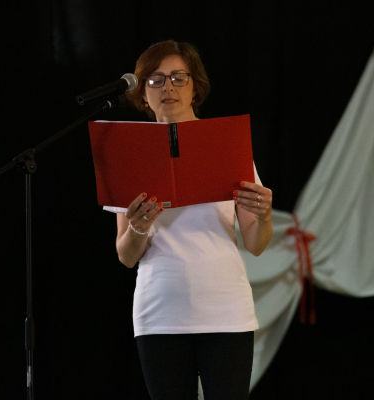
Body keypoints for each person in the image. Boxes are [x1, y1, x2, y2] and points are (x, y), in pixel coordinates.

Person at [105, 40, 273, 400]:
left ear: (195, 86)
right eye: (155, 80)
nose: (168, 87)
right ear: (142, 93)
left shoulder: (226, 144)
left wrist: (264, 216)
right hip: (160, 313)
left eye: (178, 77)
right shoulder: (131, 153)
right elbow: (126, 256)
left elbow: (256, 244)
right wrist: (138, 227)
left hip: (226, 310)